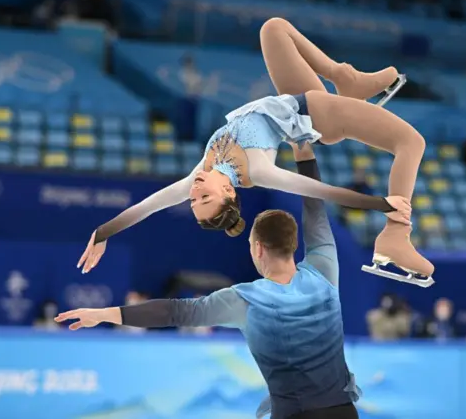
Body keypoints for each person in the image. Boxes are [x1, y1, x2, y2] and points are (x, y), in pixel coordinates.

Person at [78, 18, 432, 280]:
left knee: (273, 29)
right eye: (204, 199)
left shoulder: (201, 171)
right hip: (316, 115)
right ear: (229, 191)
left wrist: (101, 233)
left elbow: (146, 206)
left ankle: (346, 78)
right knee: (411, 142)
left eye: (193, 201)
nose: (194, 193)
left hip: (296, 98)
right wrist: (380, 204)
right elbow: (319, 190)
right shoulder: (259, 170)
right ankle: (395, 236)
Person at [57, 143, 362, 419]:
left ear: (257, 248)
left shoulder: (244, 300)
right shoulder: (324, 271)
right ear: (294, 244)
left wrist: (103, 314)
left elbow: (174, 312)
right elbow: (315, 211)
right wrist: (304, 152)